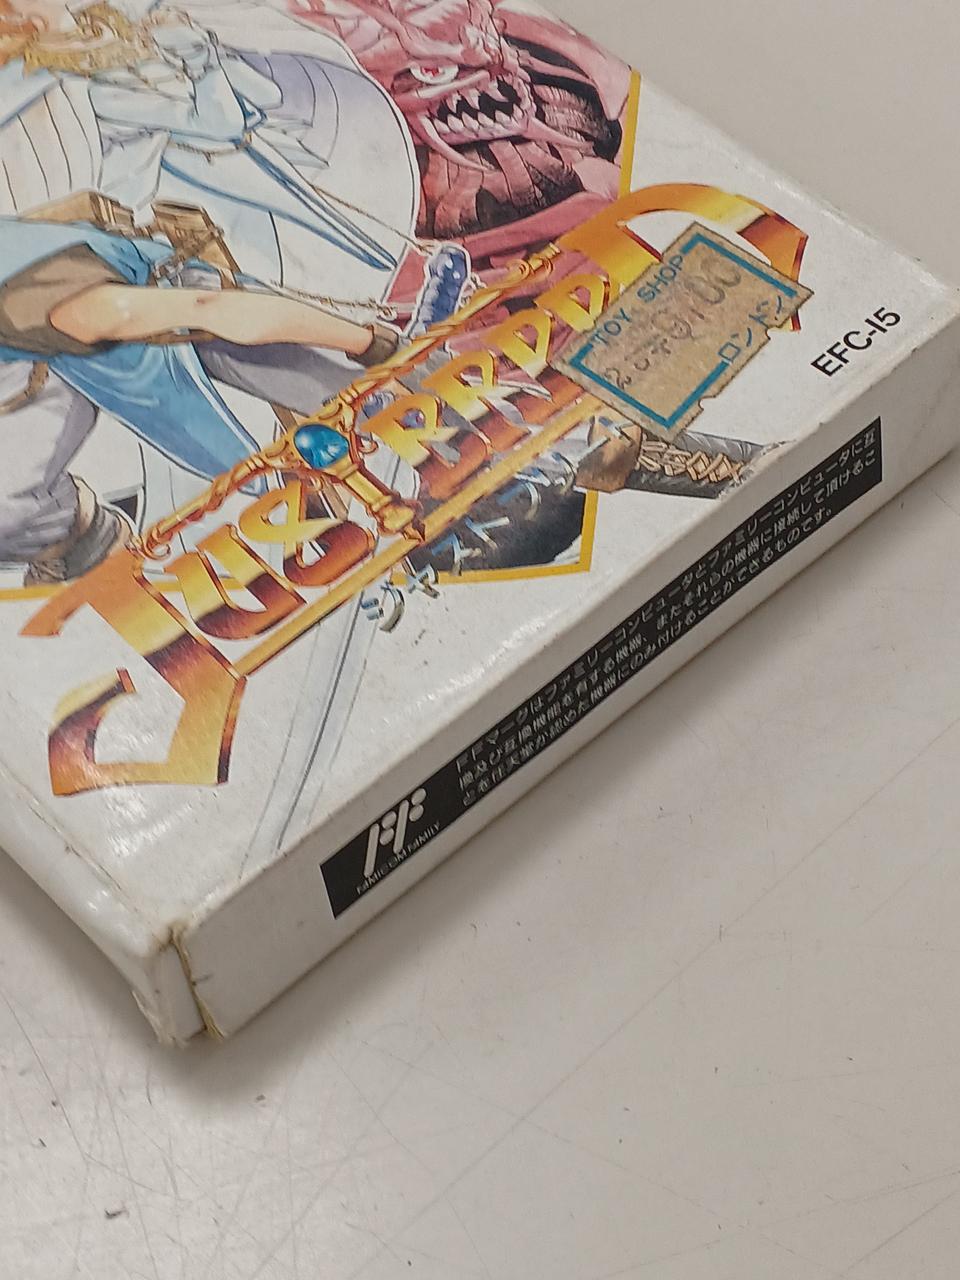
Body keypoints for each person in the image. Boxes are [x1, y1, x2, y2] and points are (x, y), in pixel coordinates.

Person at [0, 216, 401, 582]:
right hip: (63, 338)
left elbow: (214, 310)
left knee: (329, 381)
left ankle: (400, 401)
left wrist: (368, 344)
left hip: (154, 310)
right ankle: (70, 538)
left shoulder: (76, 309)